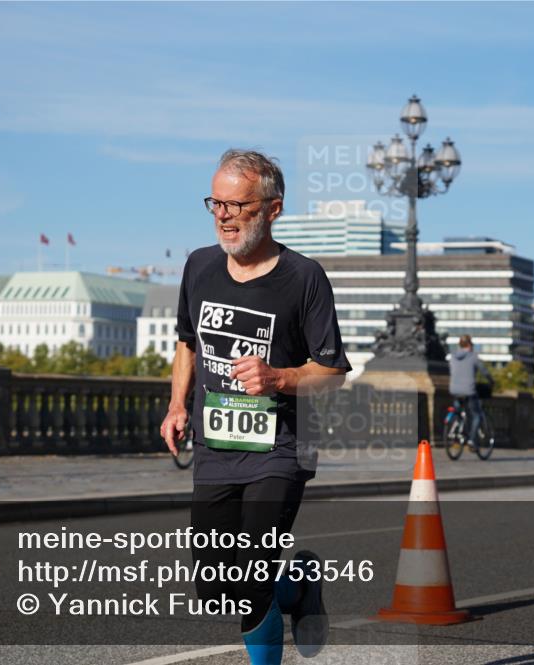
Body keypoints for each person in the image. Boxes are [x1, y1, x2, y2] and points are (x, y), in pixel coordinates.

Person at [160, 149, 351, 665]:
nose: (223, 216)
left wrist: (278, 377)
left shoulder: (304, 277)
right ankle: (299, 584)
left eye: (237, 205)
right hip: (215, 447)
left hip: (282, 448)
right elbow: (187, 342)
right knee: (216, 587)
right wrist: (177, 405)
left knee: (249, 575)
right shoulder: (199, 266)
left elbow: (333, 371)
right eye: (215, 203)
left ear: (273, 209)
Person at [448, 334, 494, 447]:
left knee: (458, 410)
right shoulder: (473, 357)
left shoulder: (453, 356)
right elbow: (484, 371)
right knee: (476, 415)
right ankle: (472, 440)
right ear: (469, 345)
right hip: (468, 390)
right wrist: (491, 381)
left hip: (454, 389)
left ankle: (454, 429)